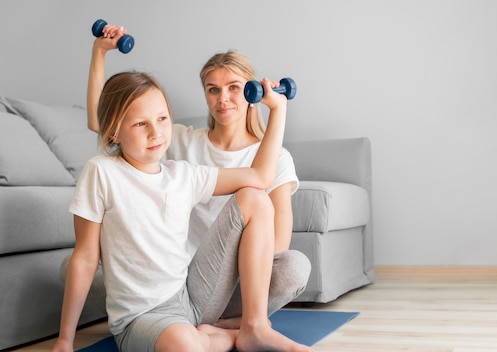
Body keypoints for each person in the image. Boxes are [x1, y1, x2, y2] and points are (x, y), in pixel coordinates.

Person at [52, 69, 312, 352]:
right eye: (140, 124)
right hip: (142, 316)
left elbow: (261, 177)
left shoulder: (183, 175)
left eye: (162, 119)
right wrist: (65, 341)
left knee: (255, 198)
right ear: (114, 131)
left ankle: (254, 327)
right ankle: (220, 337)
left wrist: (278, 110)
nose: (155, 133)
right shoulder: (101, 172)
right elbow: (86, 256)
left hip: (191, 297)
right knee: (185, 345)